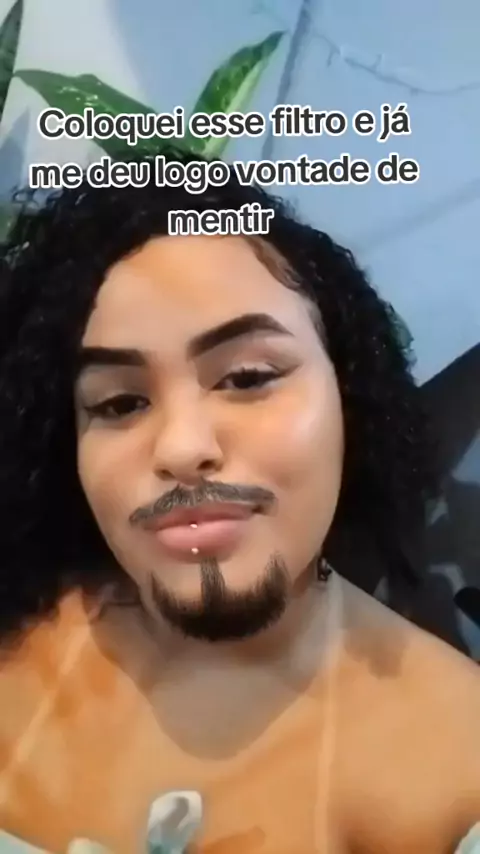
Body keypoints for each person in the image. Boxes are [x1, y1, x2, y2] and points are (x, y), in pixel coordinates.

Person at [0, 149, 479, 854]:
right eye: (120, 403)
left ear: (349, 399)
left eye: (248, 377)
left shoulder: (454, 767)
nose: (182, 447)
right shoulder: (20, 617)